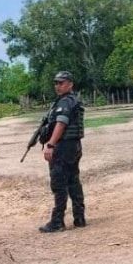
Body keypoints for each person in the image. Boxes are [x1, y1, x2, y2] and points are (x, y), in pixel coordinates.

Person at [38, 70, 86, 233]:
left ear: (70, 84)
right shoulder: (72, 100)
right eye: (56, 83)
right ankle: (79, 218)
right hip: (74, 146)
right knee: (73, 181)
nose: (57, 86)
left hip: (63, 147)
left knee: (59, 183)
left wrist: (51, 144)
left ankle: (57, 221)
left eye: (61, 83)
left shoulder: (65, 102)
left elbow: (61, 123)